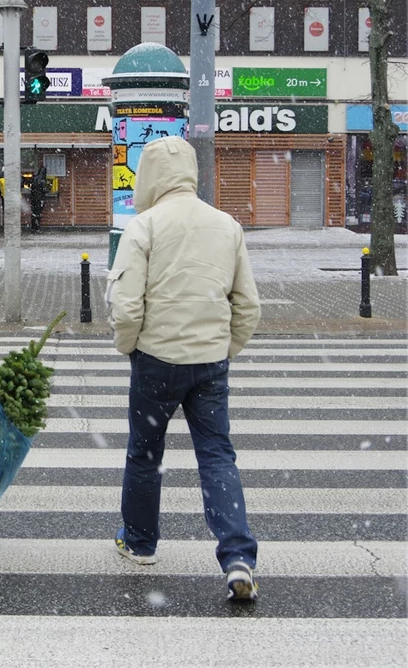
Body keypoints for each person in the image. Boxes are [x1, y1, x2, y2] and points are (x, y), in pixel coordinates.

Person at [106, 136, 262, 602]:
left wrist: (129, 347)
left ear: (150, 177)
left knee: (145, 455)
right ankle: (237, 556)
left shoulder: (144, 226)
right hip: (209, 364)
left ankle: (140, 542)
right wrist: (224, 349)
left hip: (156, 360)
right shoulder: (226, 225)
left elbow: (128, 305)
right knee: (216, 456)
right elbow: (248, 304)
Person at [29, 164, 48, 232]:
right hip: (40, 199)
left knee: (34, 213)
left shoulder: (35, 178)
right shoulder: (42, 180)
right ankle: (37, 228)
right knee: (39, 213)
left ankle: (33, 228)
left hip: (33, 198)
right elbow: (44, 190)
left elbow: (31, 188)